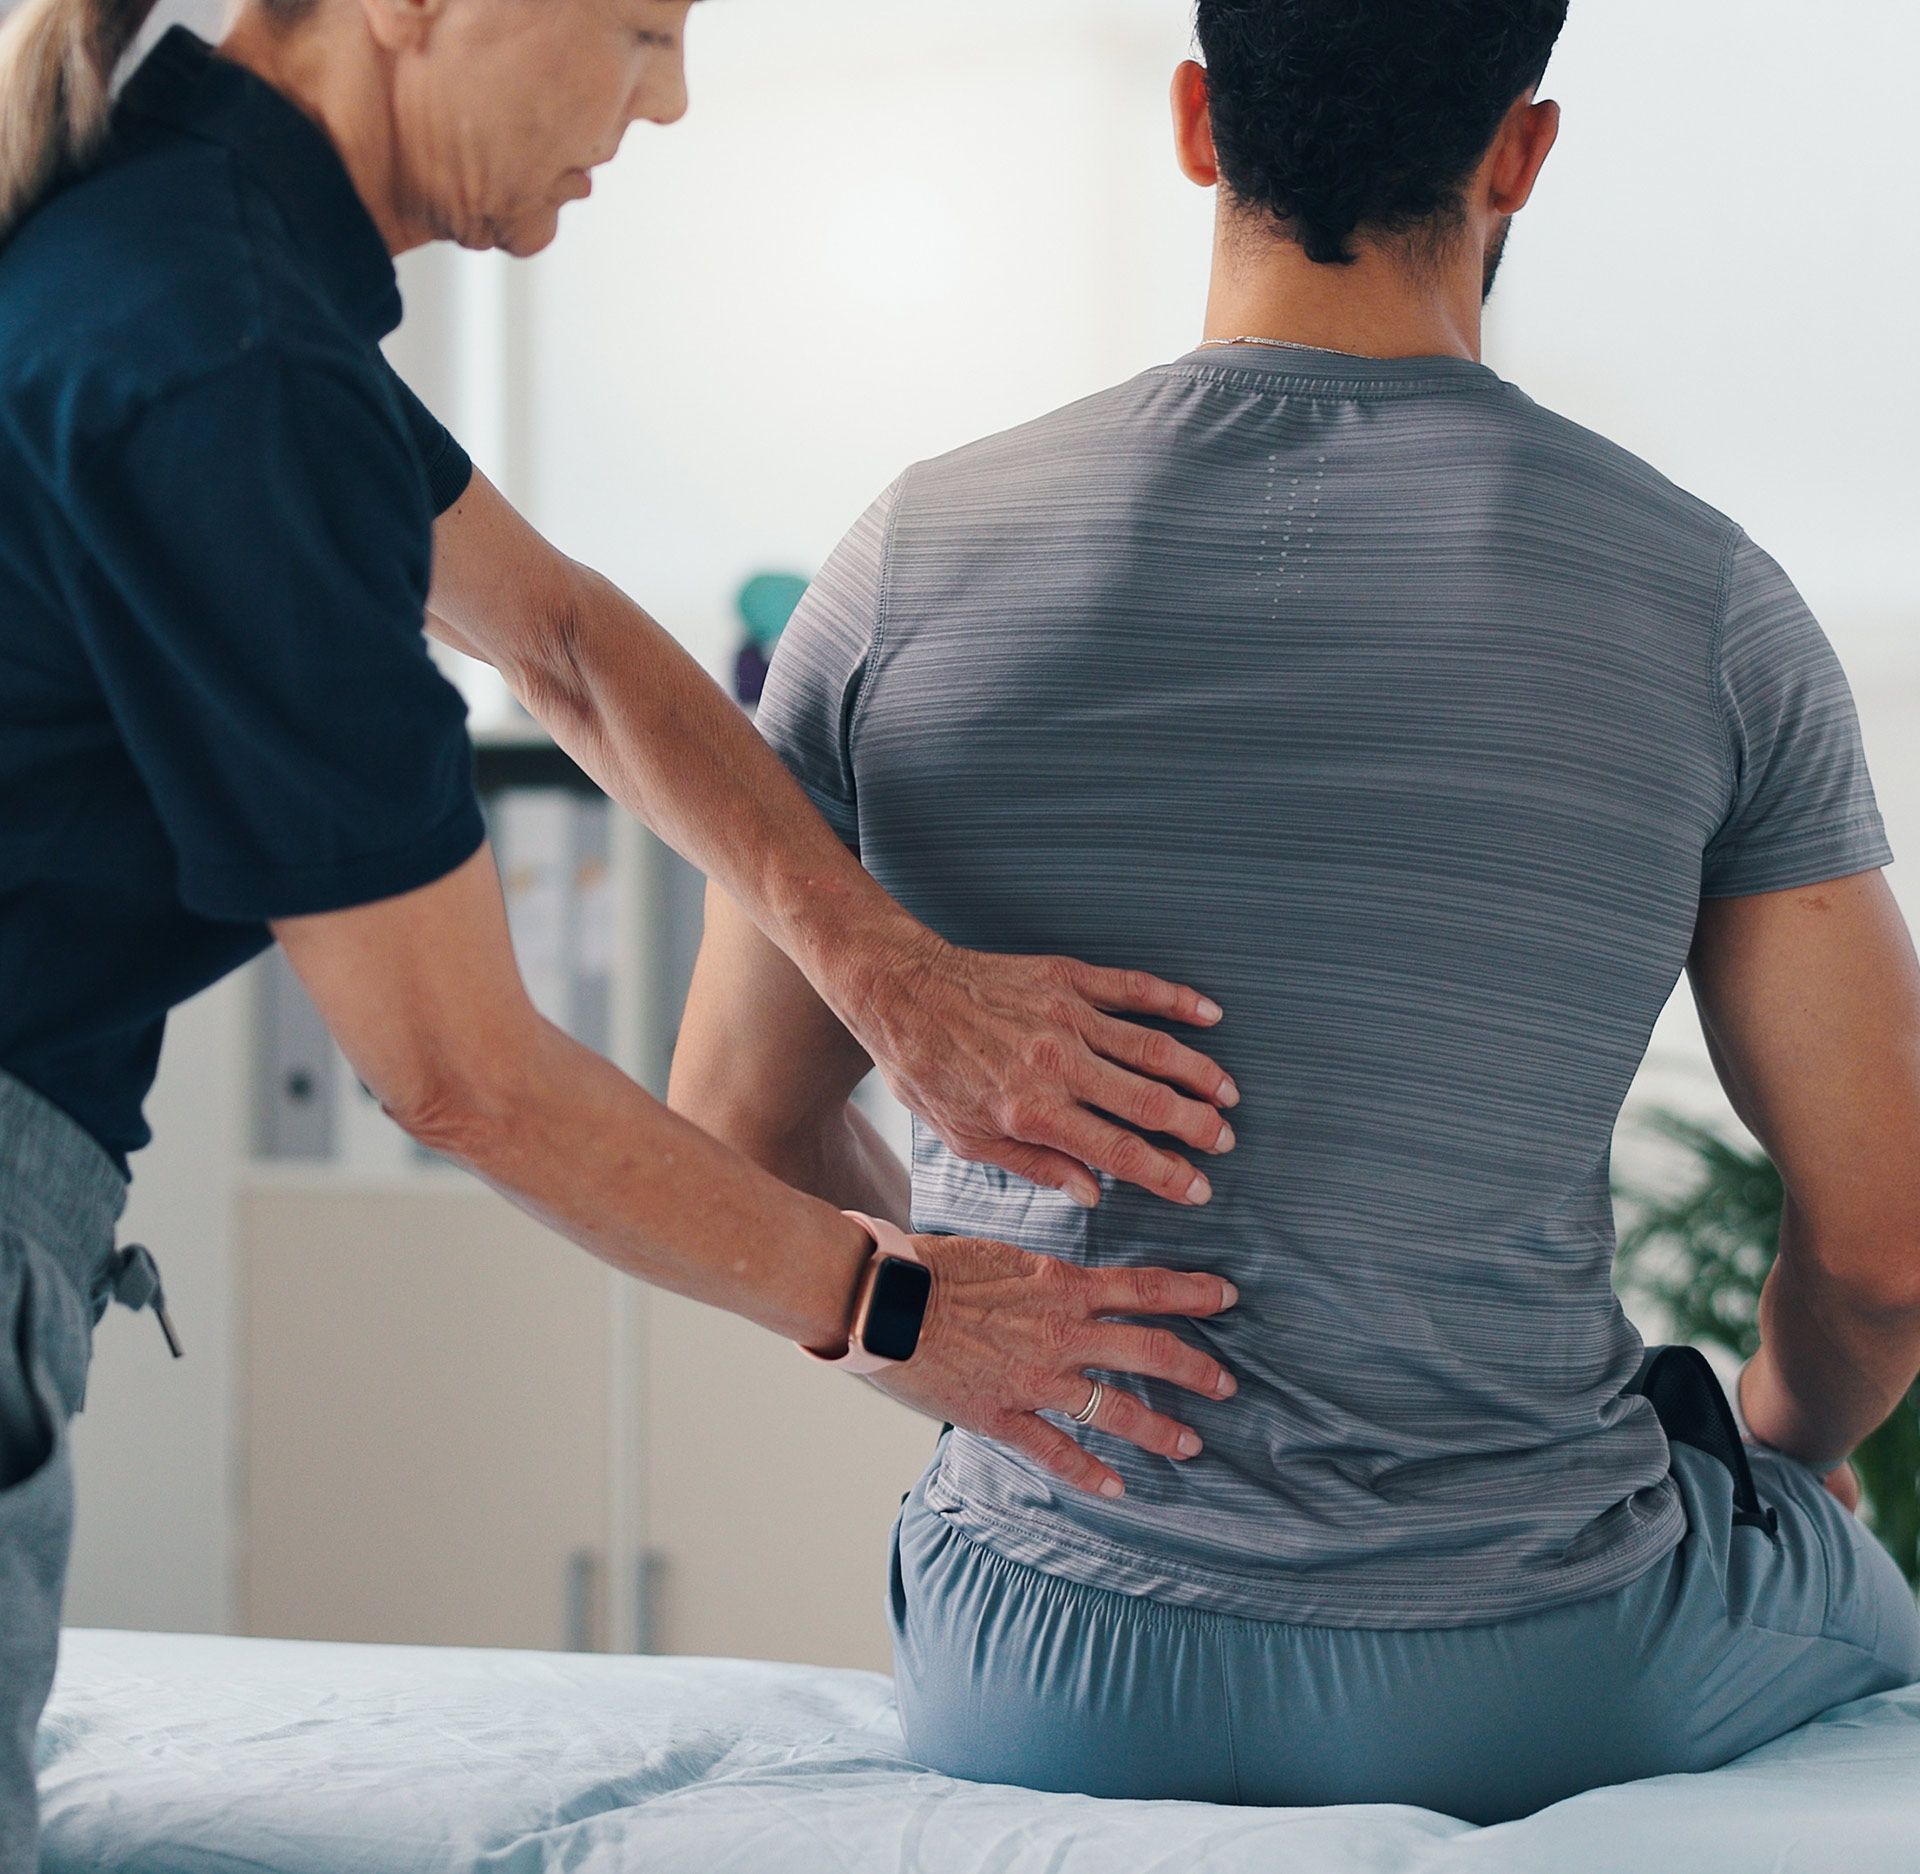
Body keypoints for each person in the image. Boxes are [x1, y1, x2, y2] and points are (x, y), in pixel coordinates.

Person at [0, 2, 1249, 1866]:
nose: (665, 97)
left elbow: (563, 639)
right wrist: (897, 1305)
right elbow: (461, 1074)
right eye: (641, 27)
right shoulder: (223, 354)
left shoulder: (188, 260)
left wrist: (881, 966)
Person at [669, 0, 1920, 1827]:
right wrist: (1787, 1457)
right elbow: (1885, 1245)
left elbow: (735, 1125)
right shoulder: (1704, 601)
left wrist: (978, 1349)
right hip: (1538, 1661)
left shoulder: (910, 555)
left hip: (1027, 1656)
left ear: (1198, 121)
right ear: (1522, 155)